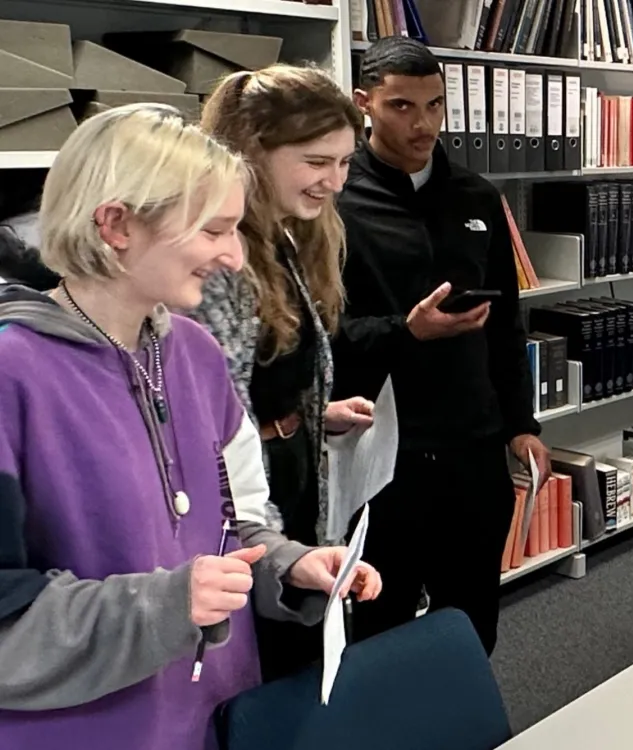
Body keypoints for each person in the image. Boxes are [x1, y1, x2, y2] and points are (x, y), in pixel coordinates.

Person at [0, 103, 380, 750]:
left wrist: (288, 565)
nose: (234, 257)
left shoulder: (195, 353)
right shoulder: (14, 376)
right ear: (117, 225)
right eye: (214, 231)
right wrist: (165, 606)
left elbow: (233, 523)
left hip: (211, 715)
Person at [334, 36, 545, 654]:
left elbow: (507, 324)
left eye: (435, 105)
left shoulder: (478, 196)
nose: (422, 123)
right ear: (364, 104)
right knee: (383, 624)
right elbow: (322, 336)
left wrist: (521, 425)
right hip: (383, 452)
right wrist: (407, 331)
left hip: (473, 449)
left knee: (472, 621)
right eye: (402, 106)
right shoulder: (336, 202)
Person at [187, 64, 375, 682]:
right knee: (260, 663)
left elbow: (260, 379)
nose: (335, 182)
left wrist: (313, 415)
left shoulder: (285, 236)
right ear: (251, 152)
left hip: (288, 477)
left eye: (345, 163)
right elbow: (215, 423)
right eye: (317, 161)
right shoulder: (221, 261)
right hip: (245, 505)